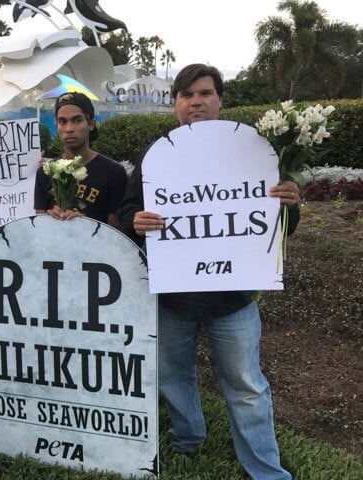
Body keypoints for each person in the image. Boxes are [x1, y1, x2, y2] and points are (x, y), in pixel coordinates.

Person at [118, 64, 299, 480]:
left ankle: (266, 470)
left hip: (231, 300)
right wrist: (135, 220)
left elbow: (275, 224)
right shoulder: (156, 153)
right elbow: (129, 209)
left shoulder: (251, 149)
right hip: (172, 296)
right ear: (175, 105)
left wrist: (289, 204)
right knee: (172, 376)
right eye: (186, 95)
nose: (195, 101)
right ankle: (187, 440)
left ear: (220, 100)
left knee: (247, 387)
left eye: (204, 93)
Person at [34, 92, 128, 228]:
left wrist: (85, 225)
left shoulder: (113, 172)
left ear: (91, 124)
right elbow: (39, 227)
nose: (69, 129)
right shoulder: (45, 171)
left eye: (77, 120)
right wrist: (50, 218)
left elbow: (117, 230)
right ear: (57, 126)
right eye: (62, 122)